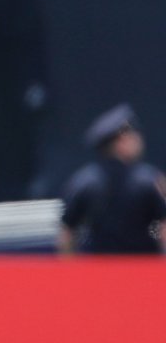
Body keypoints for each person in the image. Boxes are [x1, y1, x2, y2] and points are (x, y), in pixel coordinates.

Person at [58, 103, 166, 254]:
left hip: (100, 266)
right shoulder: (149, 180)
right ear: (122, 141)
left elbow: (67, 232)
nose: (138, 139)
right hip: (142, 265)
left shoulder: (83, 182)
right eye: (132, 135)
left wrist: (68, 267)